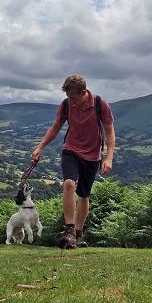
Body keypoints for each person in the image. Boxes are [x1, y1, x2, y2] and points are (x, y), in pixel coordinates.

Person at [32, 75, 115, 249]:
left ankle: (78, 234)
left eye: (73, 97)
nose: (71, 101)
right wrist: (40, 147)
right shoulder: (66, 105)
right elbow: (56, 127)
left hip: (92, 155)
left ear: (84, 92)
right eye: (68, 97)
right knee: (69, 183)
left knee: (84, 195)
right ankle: (69, 230)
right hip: (71, 149)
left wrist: (108, 157)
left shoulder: (100, 105)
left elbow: (110, 132)